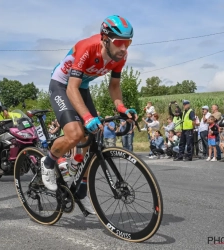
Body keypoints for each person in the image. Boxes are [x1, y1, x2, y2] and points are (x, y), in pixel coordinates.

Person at [40, 15, 137, 214]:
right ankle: (48, 162)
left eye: (128, 43)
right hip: (62, 84)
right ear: (105, 38)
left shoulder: (120, 56)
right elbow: (71, 88)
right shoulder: (87, 47)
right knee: (76, 134)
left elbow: (115, 86)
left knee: (94, 135)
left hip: (81, 87)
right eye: (120, 42)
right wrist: (86, 118)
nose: (124, 48)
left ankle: (78, 178)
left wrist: (122, 108)